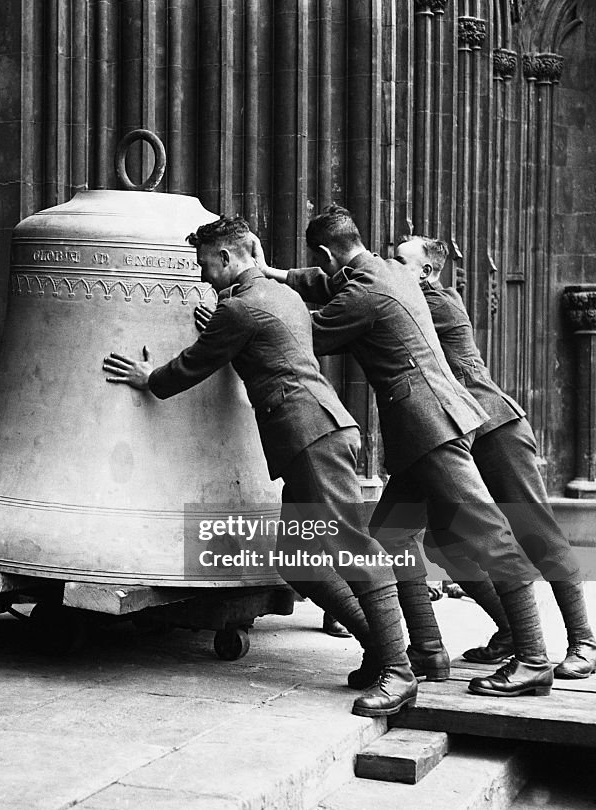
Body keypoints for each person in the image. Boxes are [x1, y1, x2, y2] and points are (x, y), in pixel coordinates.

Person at [102, 214, 417, 717]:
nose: (203, 276)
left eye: (206, 265)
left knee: (351, 546)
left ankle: (399, 670)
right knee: (298, 559)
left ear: (227, 258)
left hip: (310, 434)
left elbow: (192, 365)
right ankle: (381, 650)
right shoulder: (278, 296)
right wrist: (225, 322)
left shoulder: (242, 309)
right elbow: (257, 337)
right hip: (315, 432)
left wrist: (149, 378)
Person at [260, 204, 554, 698]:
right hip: (429, 422)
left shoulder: (365, 293)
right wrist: (278, 273)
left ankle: (533, 659)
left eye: (324, 262)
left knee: (487, 533)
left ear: (330, 252)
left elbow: (301, 333)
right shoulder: (389, 270)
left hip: (428, 425)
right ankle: (427, 651)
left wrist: (257, 300)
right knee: (392, 535)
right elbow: (328, 279)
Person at [393, 234, 594, 679]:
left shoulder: (436, 303)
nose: (391, 268)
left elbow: (368, 302)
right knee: (441, 541)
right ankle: (510, 631)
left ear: (426, 272)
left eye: (399, 262)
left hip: (492, 428)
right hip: (443, 436)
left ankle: (585, 641)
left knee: (536, 531)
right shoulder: (407, 295)